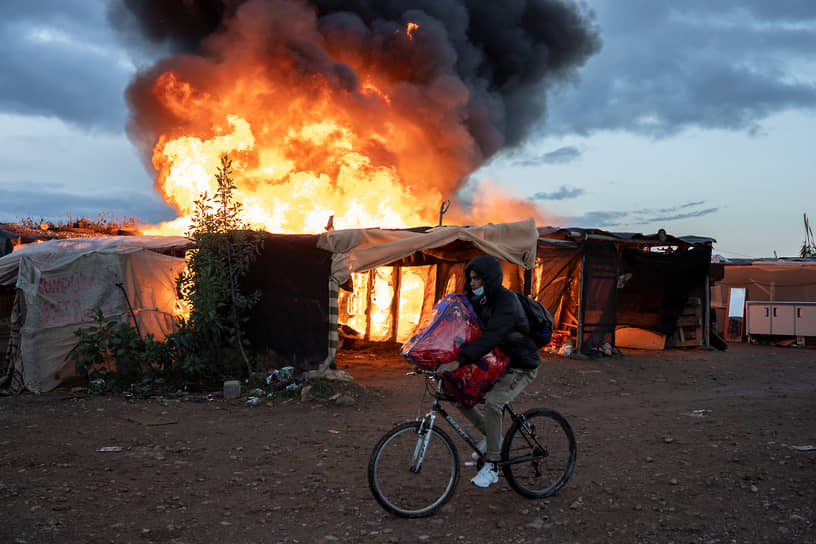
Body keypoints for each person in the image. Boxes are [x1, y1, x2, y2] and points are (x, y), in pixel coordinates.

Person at [436, 255, 541, 488]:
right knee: (458, 393)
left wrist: (459, 361)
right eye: (470, 279)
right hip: (498, 362)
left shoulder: (507, 302)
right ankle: (494, 437)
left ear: (490, 279)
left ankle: (493, 464)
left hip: (521, 365)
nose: (472, 283)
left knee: (494, 403)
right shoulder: (479, 300)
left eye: (476, 279)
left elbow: (491, 336)